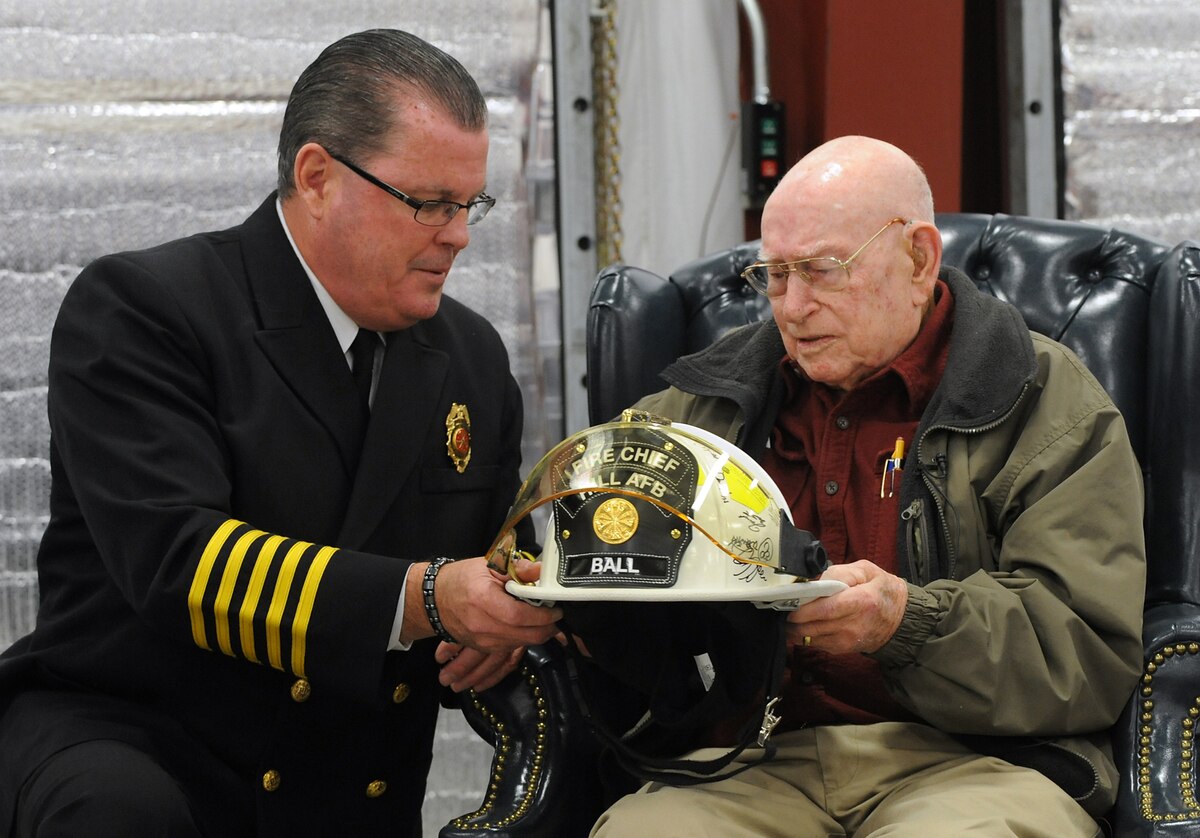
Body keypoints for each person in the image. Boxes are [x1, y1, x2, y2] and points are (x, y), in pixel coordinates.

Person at [0, 28, 561, 838]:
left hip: (346, 773)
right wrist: (426, 599)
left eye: (469, 205)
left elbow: (494, 564)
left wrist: (501, 631)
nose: (458, 234)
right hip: (146, 746)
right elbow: (179, 562)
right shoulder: (148, 309)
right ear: (318, 177)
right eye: (429, 203)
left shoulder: (468, 356)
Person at [588, 135, 1146, 837]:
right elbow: (578, 520)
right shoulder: (704, 405)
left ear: (919, 259)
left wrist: (902, 622)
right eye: (775, 275)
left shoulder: (1043, 399)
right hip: (744, 762)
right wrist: (539, 584)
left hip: (978, 761)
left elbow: (1085, 653)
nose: (793, 307)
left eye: (823, 271)